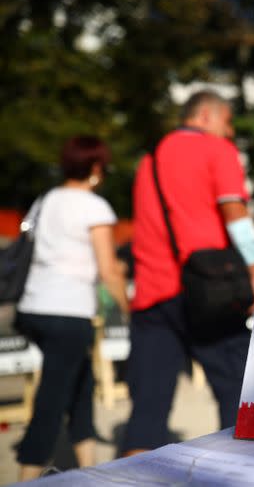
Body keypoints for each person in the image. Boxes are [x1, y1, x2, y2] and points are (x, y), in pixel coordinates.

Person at [122, 90, 254, 456]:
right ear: (204, 115)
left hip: (153, 295)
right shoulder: (217, 150)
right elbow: (234, 212)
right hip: (209, 294)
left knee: (147, 413)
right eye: (227, 121)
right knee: (240, 395)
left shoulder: (148, 161)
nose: (229, 131)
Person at [15, 136, 128, 480]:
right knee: (51, 403)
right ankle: (26, 478)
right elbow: (108, 269)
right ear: (95, 168)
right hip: (69, 312)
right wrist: (130, 310)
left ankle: (91, 472)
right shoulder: (93, 207)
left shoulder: (45, 200)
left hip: (34, 307)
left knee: (80, 387)